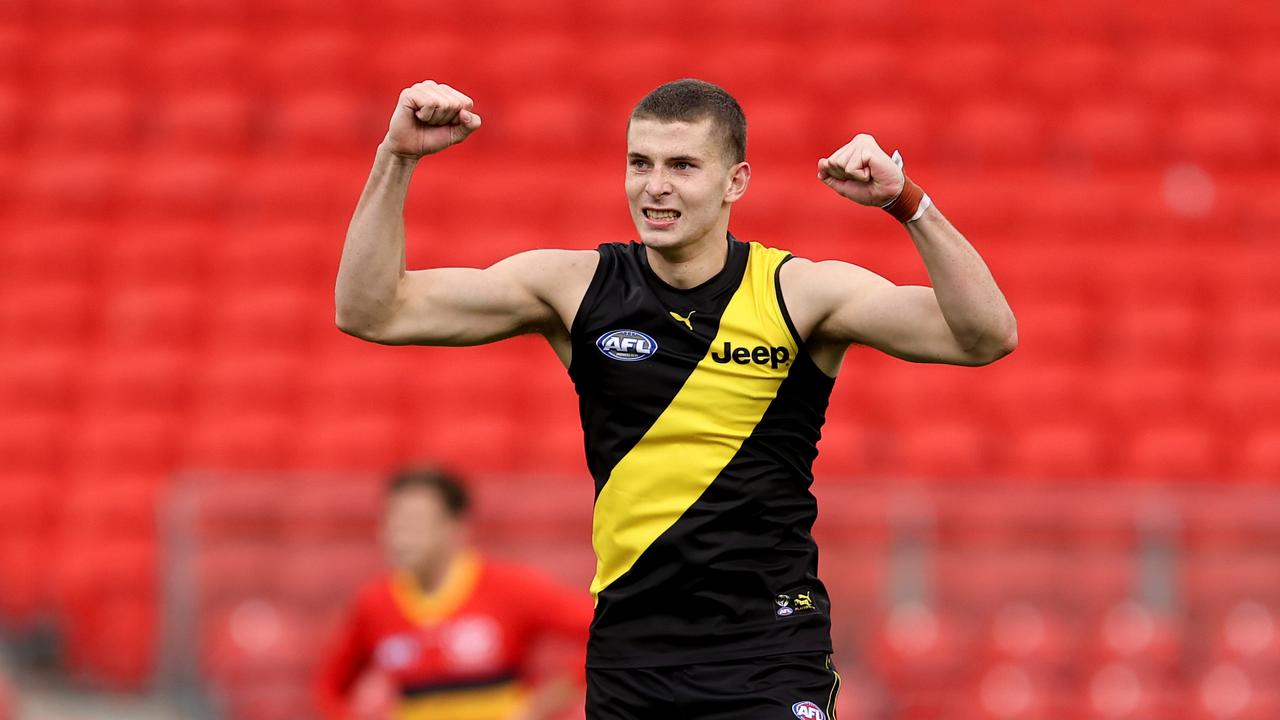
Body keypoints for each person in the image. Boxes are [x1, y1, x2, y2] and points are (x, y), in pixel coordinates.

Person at [335, 78, 1017, 719]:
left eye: (683, 166)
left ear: (735, 181)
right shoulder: (576, 288)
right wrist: (397, 156)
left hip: (769, 651)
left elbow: (986, 336)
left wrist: (908, 203)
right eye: (640, 162)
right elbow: (373, 310)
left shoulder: (798, 294)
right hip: (633, 658)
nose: (654, 187)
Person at [313, 466, 591, 720]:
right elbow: (328, 688)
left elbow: (599, 629)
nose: (400, 534)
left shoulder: (511, 588)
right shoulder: (373, 604)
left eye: (415, 521)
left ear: (456, 527)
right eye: (392, 521)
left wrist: (540, 705)